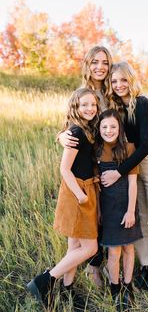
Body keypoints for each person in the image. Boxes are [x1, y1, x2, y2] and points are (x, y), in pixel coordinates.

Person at [101, 61, 148, 292]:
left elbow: (144, 147)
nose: (119, 85)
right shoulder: (117, 109)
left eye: (123, 80)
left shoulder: (143, 104)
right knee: (140, 216)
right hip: (131, 165)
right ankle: (147, 264)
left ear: (131, 80)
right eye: (114, 81)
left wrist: (118, 173)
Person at [27, 88, 100, 309]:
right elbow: (64, 169)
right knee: (90, 248)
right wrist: (81, 195)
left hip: (85, 189)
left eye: (93, 105)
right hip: (78, 192)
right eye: (84, 105)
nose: (89, 108)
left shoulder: (87, 129)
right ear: (75, 108)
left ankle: (67, 289)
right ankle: (45, 280)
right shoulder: (76, 132)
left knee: (74, 245)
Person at [59, 45, 112, 287]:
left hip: (105, 166)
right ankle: (68, 277)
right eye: (95, 62)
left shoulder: (114, 90)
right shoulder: (82, 95)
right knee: (82, 238)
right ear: (87, 65)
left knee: (98, 222)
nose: (100, 67)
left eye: (105, 62)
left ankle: (69, 283)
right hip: (84, 176)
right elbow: (71, 129)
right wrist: (61, 136)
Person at [96, 109, 142, 310]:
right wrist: (98, 212)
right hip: (108, 208)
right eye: (104, 126)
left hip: (126, 206)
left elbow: (133, 183)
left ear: (120, 128)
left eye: (113, 126)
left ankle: (128, 285)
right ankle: (115, 287)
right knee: (113, 251)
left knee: (128, 248)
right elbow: (96, 186)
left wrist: (131, 211)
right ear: (98, 129)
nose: (108, 130)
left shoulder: (129, 148)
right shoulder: (96, 150)